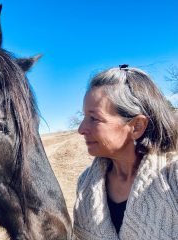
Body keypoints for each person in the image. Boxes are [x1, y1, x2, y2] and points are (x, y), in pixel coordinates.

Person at [73, 65, 178, 239]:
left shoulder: (172, 179)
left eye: (94, 118)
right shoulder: (85, 184)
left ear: (136, 126)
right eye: (84, 117)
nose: (81, 128)